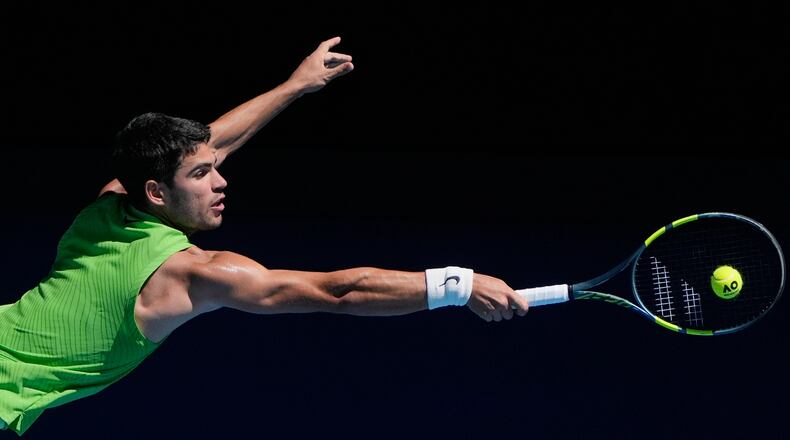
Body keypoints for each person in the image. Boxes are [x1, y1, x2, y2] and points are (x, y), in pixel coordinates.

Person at [0, 36, 529, 436]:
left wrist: (297, 85)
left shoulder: (108, 206)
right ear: (157, 193)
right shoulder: (193, 274)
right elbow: (337, 292)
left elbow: (213, 142)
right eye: (202, 176)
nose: (222, 179)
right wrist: (459, 284)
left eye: (214, 167)